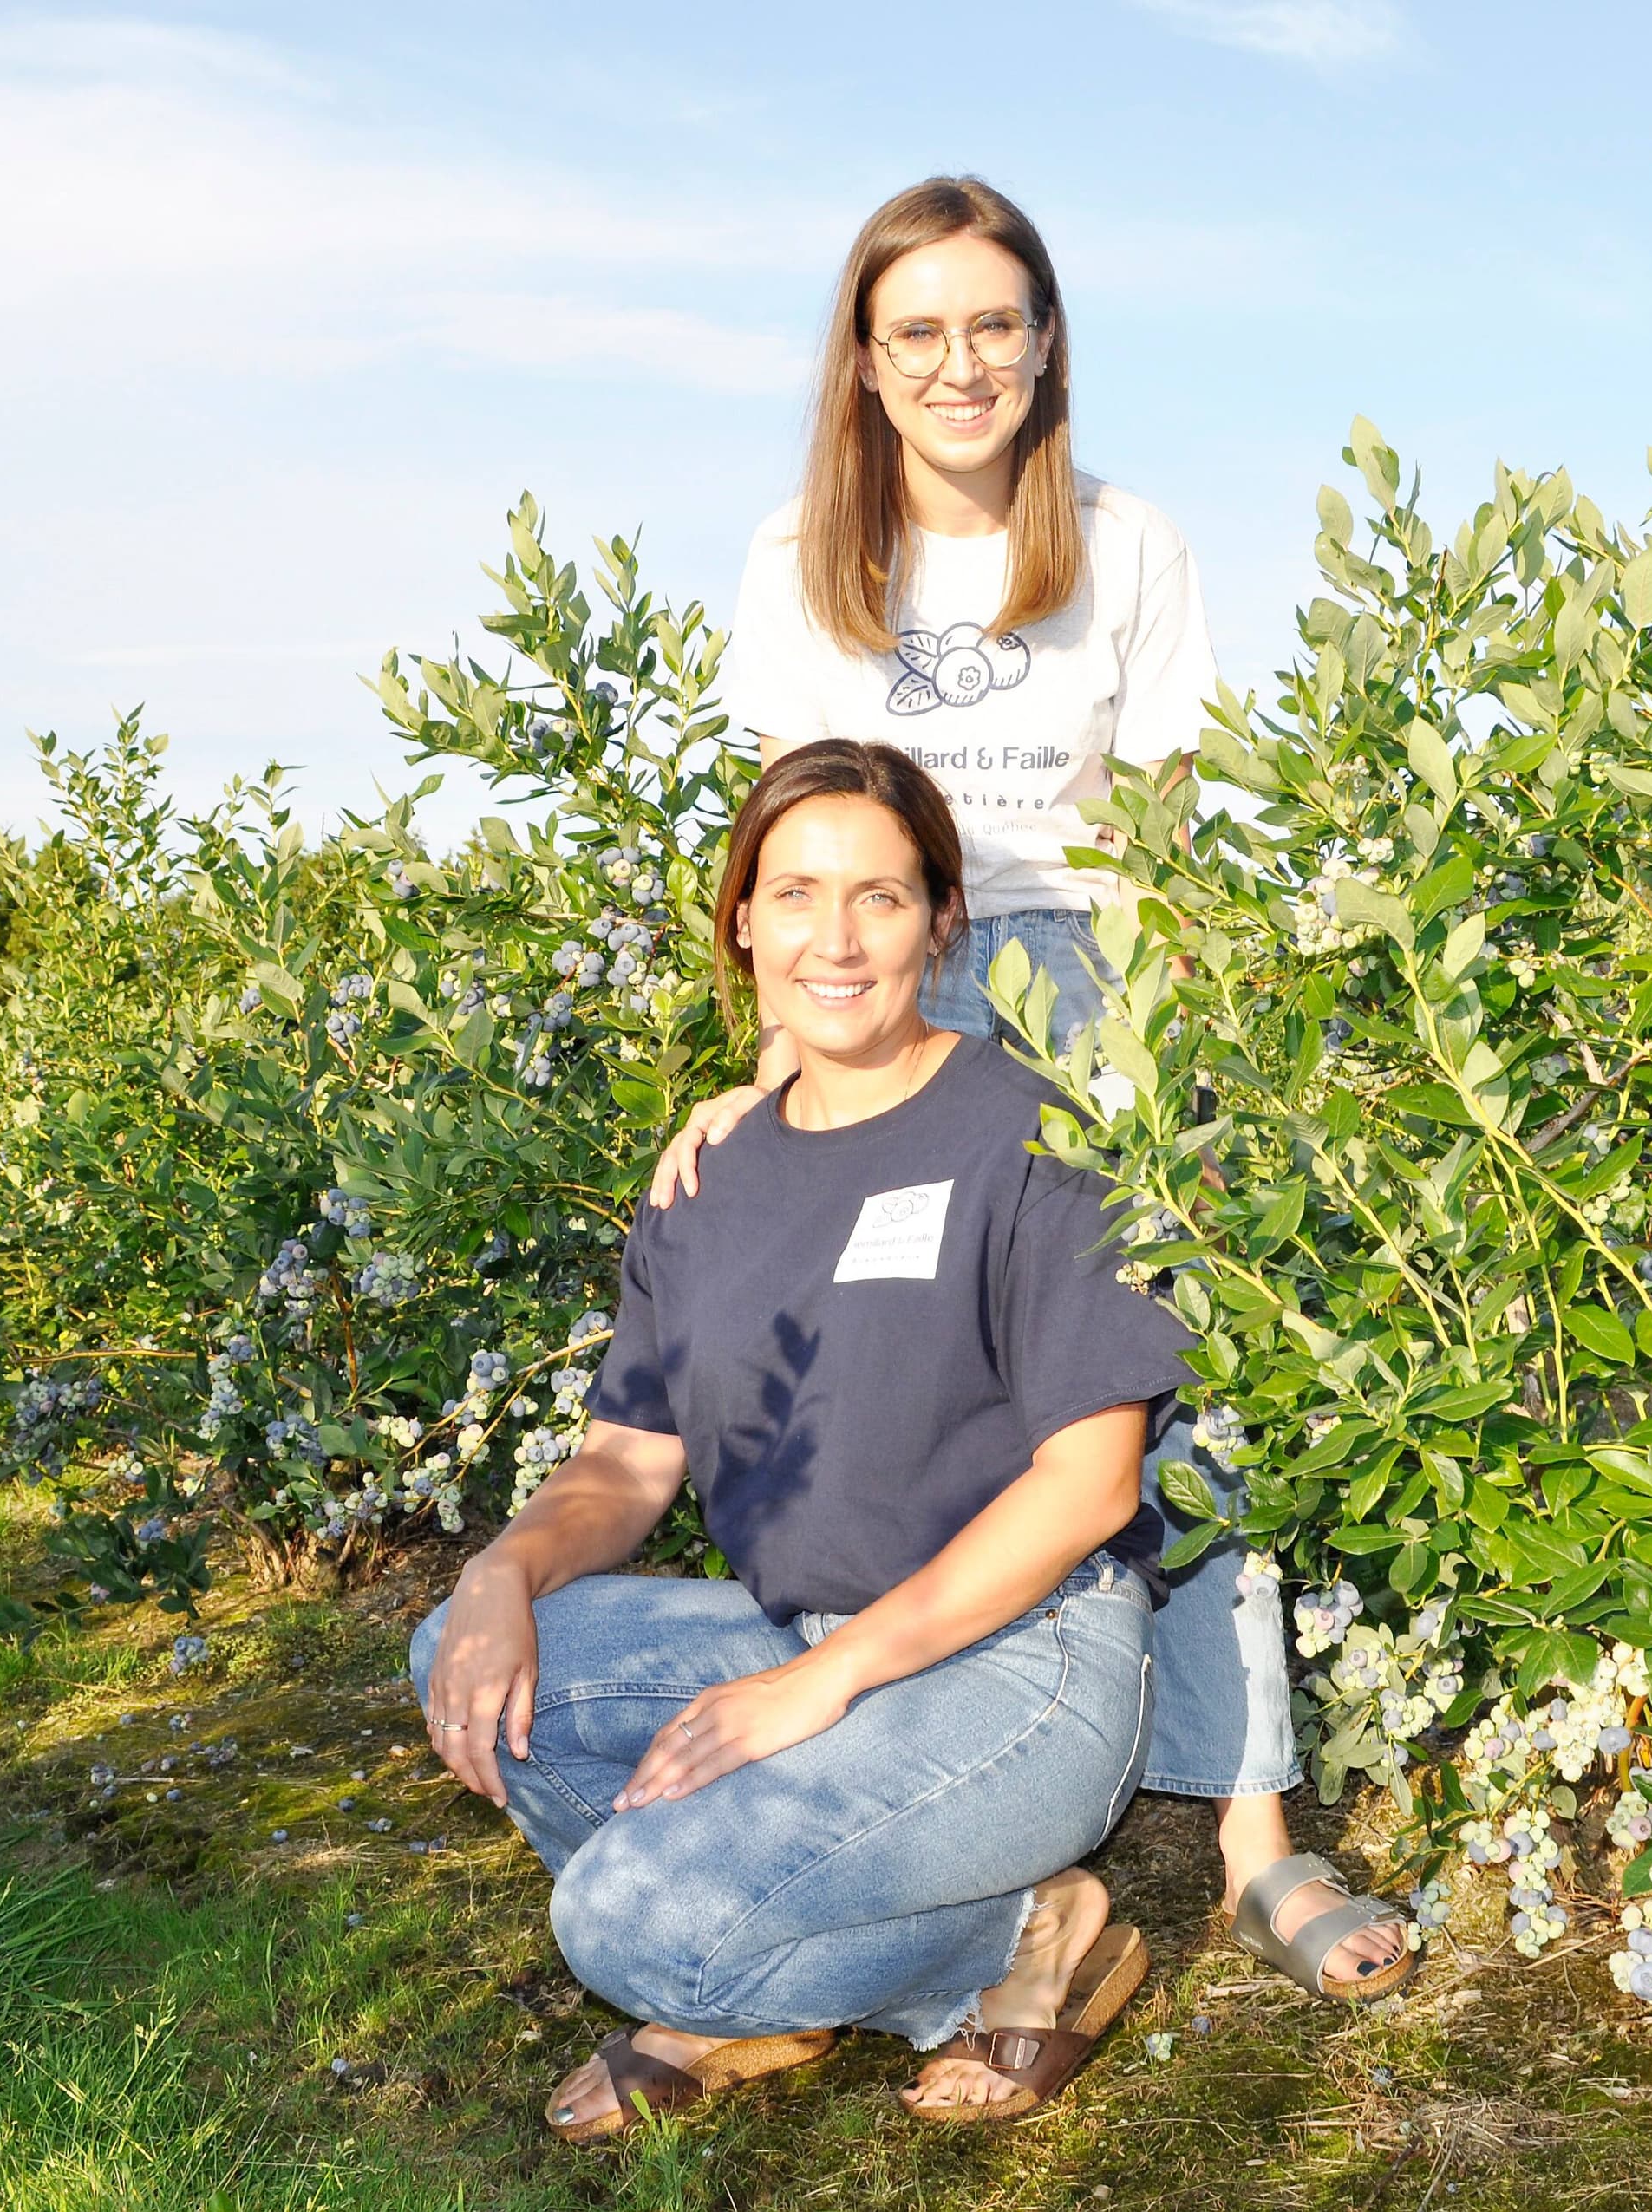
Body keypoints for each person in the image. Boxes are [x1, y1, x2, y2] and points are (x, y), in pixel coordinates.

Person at [644, 173, 1410, 2003]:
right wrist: (766, 1075)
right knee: (884, 1363)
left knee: (1180, 1386)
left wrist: (1169, 1057)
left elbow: (1168, 830)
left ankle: (1248, 1842)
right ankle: (924, 1770)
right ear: (866, 361)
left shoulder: (1127, 544)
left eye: (995, 323)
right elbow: (800, 839)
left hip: (1089, 973)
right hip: (887, 960)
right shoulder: (794, 560)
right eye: (920, 330)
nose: (961, 361)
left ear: (1045, 343)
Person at [415, 741, 1185, 2137]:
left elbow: (1091, 1485)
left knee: (621, 1918)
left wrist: (819, 1686)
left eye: (881, 899)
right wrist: (494, 1577)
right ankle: (943, 1944)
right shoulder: (708, 1177)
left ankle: (862, 1951)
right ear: (743, 923)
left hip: (1026, 1661)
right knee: (473, 1655)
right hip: (799, 1634)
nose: (835, 939)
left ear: (944, 924)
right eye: (797, 894)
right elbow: (627, 1466)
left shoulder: (1036, 1136)